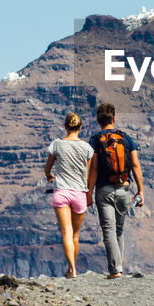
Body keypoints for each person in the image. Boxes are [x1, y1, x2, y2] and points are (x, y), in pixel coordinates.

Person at [86, 102, 144, 279]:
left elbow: (93, 169)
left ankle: (115, 270)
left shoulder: (95, 140)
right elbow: (135, 164)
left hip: (103, 190)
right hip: (124, 189)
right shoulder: (126, 138)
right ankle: (117, 268)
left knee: (108, 230)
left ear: (98, 120)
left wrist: (88, 193)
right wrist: (140, 191)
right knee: (119, 229)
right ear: (114, 118)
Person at [43, 112, 94, 278]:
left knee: (66, 232)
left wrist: (49, 176)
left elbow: (47, 167)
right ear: (80, 128)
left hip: (61, 193)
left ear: (65, 127)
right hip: (79, 193)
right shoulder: (87, 148)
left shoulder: (57, 144)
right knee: (75, 234)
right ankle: (73, 267)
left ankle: (72, 269)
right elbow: (88, 172)